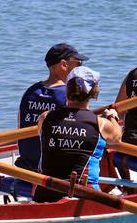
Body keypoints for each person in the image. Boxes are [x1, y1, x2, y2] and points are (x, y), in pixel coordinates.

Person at [33, 66, 122, 203]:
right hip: (85, 195)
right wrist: (112, 116)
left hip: (45, 194)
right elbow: (117, 138)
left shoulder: (45, 118)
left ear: (67, 89)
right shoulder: (101, 124)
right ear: (94, 92)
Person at [17, 43, 89, 171]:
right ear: (64, 65)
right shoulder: (70, 94)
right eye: (78, 65)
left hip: (27, 163)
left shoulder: (30, 91)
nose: (80, 70)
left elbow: (20, 125)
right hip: (52, 167)